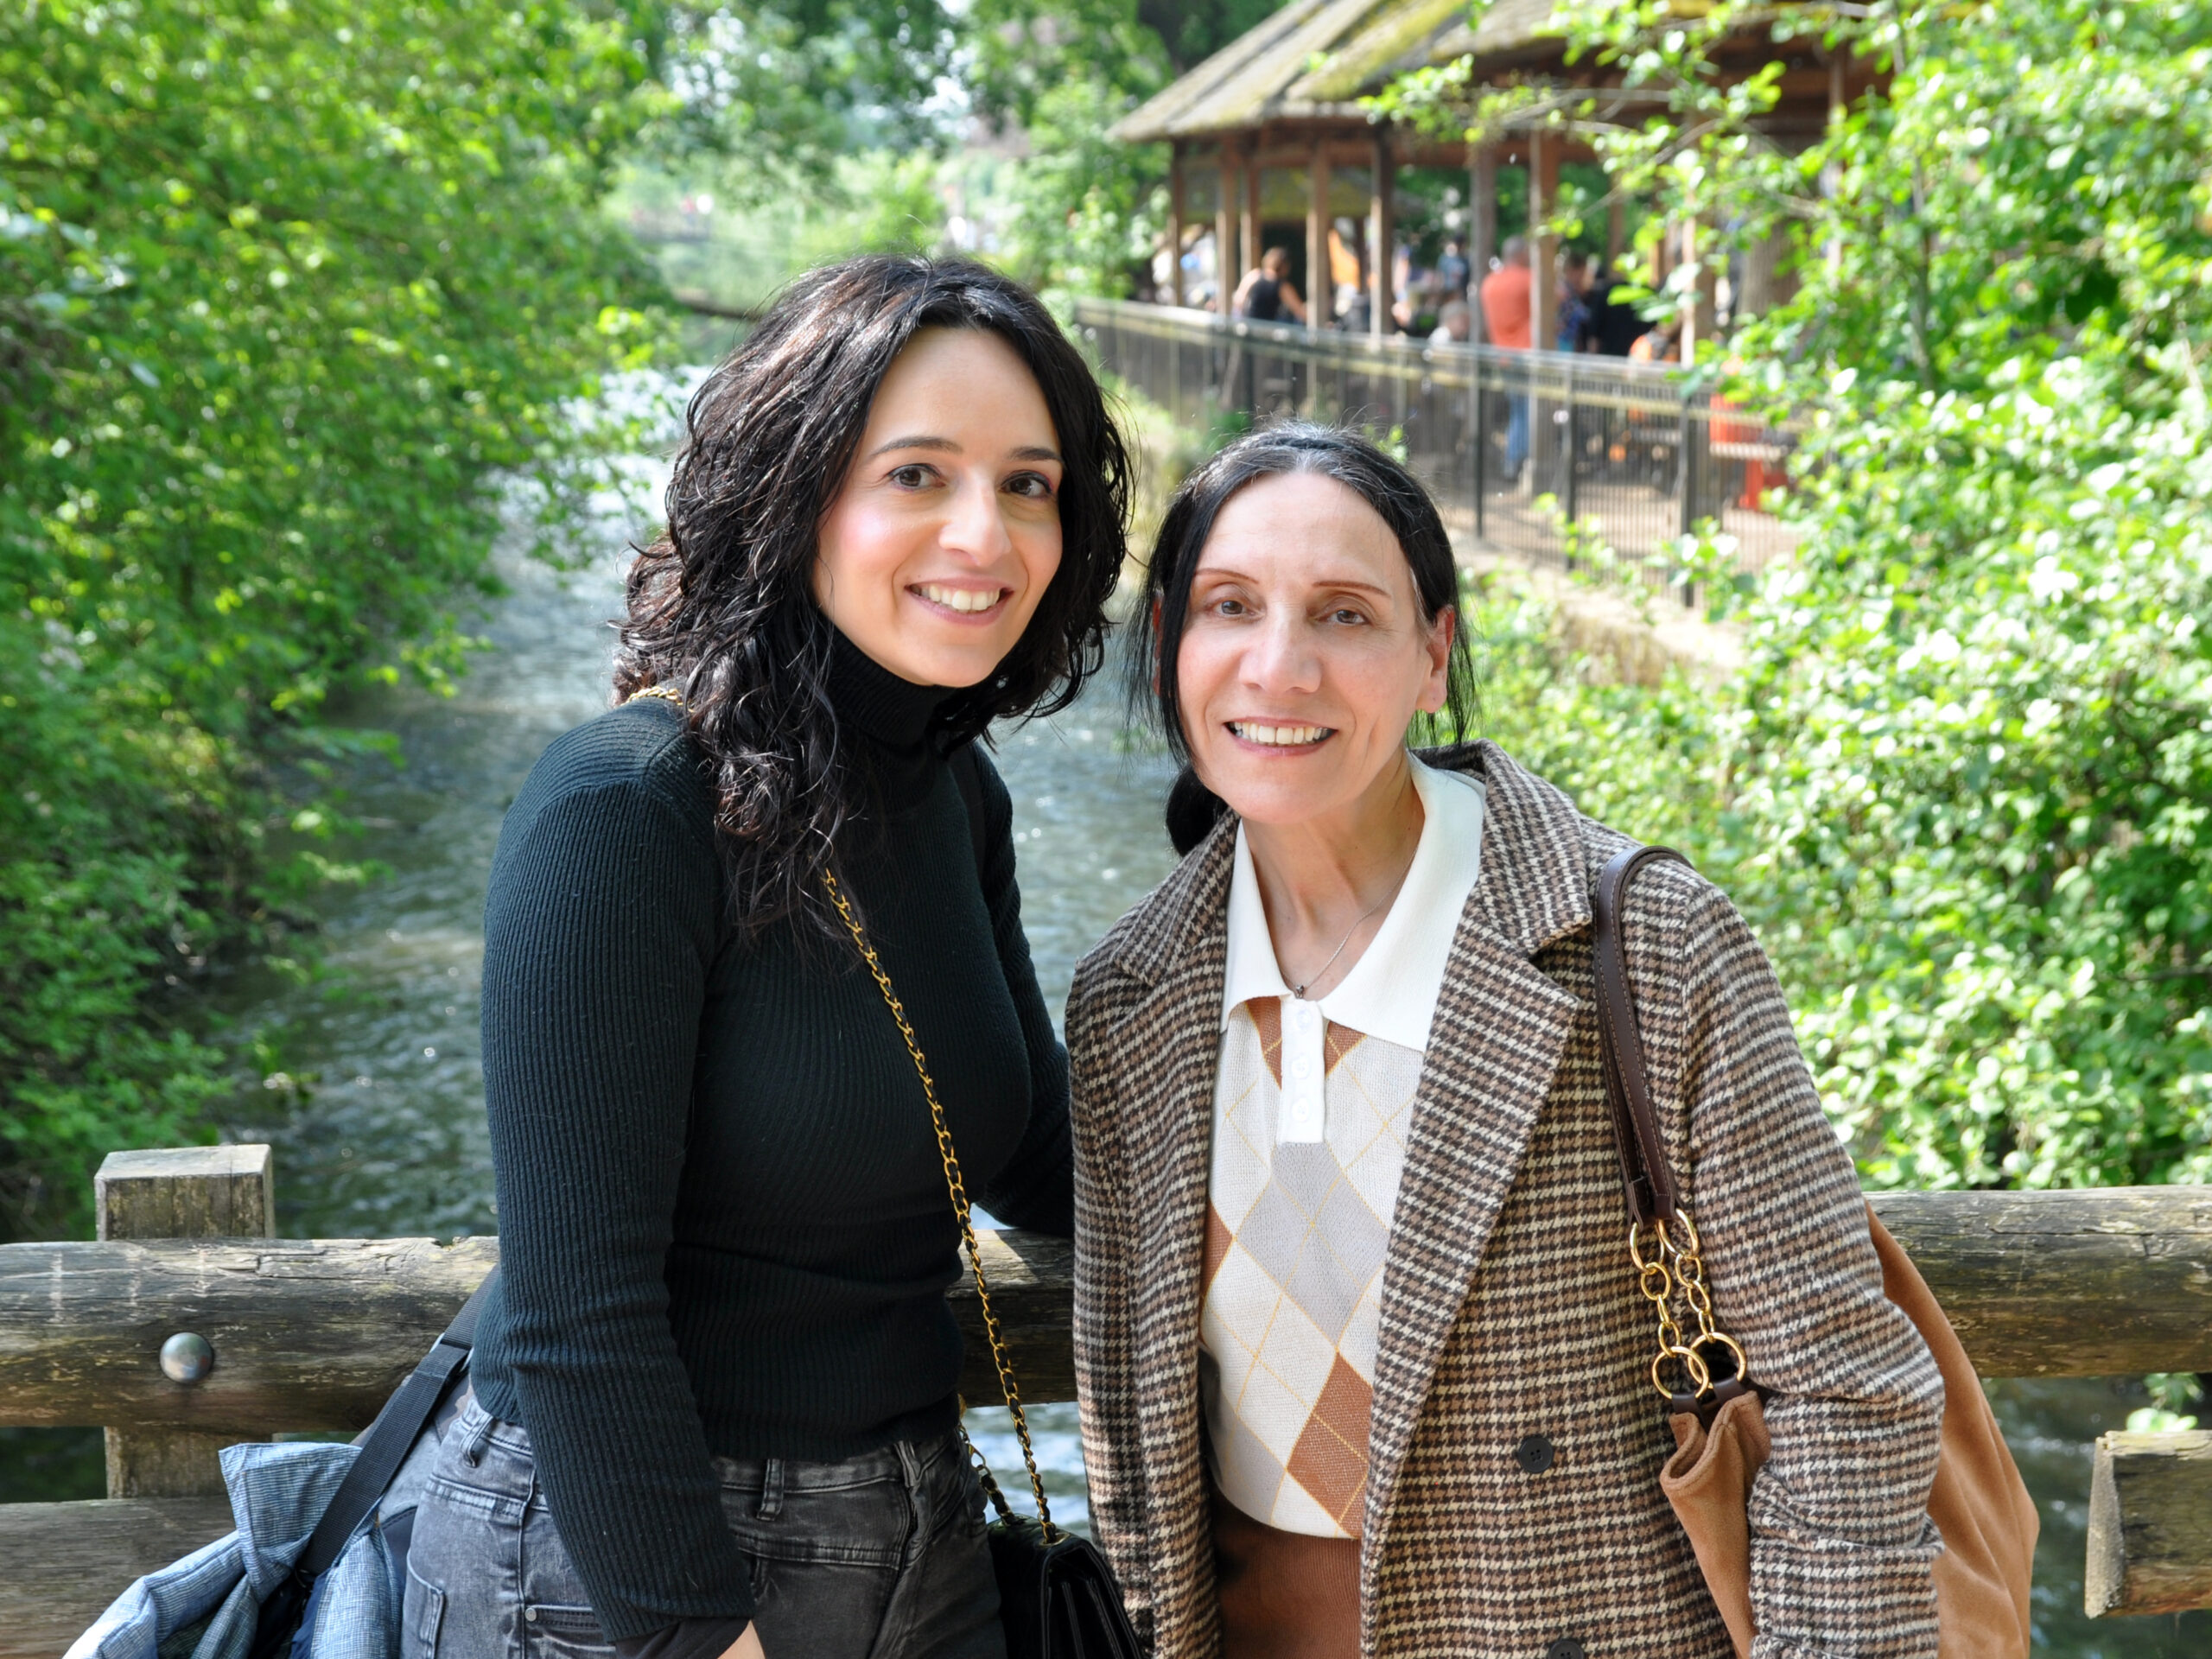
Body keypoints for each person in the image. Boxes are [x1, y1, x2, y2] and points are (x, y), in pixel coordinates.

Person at [1066, 423, 1946, 1658]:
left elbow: (1852, 1399)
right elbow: (1132, 1450)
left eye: (1344, 616)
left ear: (1436, 653)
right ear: (1168, 646)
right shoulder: (1128, 1001)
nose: (1279, 666)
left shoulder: (1641, 944)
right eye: (1230, 606)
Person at [403, 257, 1131, 1659]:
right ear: (795, 489)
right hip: (616, 1567)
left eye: (1028, 483)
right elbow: (577, 1315)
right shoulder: (626, 806)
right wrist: (699, 1636)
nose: (984, 532)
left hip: (914, 1517)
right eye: (917, 473)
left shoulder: (949, 790)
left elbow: (1036, 1153)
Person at [1478, 236, 1534, 480]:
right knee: (1528, 411)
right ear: (1521, 254)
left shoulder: (1489, 283)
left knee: (1518, 411)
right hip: (1528, 357)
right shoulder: (1529, 279)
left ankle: (1512, 460)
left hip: (1503, 357)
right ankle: (1520, 460)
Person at [1234, 246, 1308, 325]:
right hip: (1265, 330)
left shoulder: (1254, 275)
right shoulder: (1281, 286)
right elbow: (1299, 311)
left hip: (1249, 326)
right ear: (1285, 266)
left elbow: (1239, 300)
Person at [1436, 234, 1471, 301]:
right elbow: (1440, 276)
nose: (1460, 247)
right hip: (1448, 293)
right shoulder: (1445, 259)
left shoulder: (1468, 259)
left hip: (1463, 294)